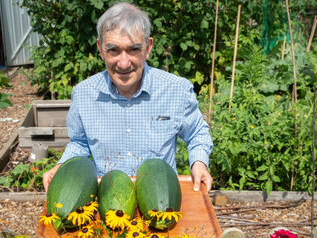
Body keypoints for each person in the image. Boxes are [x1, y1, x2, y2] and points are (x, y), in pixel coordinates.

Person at [43, 2, 213, 193]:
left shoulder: (175, 91)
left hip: (161, 197)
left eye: (133, 49)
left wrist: (199, 163)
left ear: (148, 48)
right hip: (108, 198)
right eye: (113, 50)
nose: (123, 63)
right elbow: (80, 143)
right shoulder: (84, 95)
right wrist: (63, 165)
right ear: (100, 49)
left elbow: (197, 133)